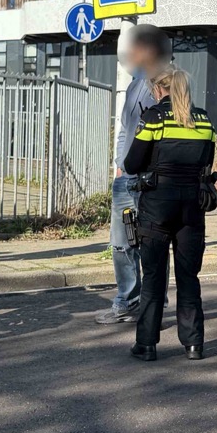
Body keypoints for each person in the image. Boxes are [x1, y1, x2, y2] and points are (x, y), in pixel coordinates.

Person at [123, 66, 214, 362]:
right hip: (191, 209)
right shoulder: (203, 121)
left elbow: (132, 163)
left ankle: (147, 345)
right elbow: (206, 162)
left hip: (157, 208)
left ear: (158, 89)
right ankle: (193, 344)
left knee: (153, 278)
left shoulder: (153, 118)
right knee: (189, 277)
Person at [95, 24, 172, 325]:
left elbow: (170, 132)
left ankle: (154, 303)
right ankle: (127, 299)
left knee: (152, 243)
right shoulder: (134, 83)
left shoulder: (167, 82)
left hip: (150, 181)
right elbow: (126, 128)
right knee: (121, 242)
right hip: (126, 180)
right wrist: (119, 164)